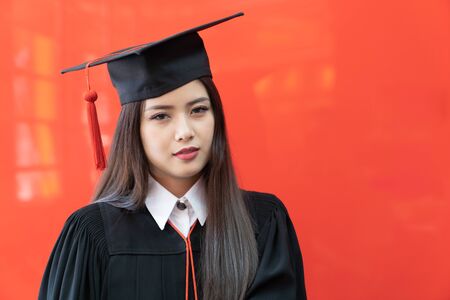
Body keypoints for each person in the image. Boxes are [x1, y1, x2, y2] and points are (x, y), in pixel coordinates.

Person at [38, 11, 307, 300]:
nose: (185, 131)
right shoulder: (92, 233)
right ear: (134, 131)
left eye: (199, 110)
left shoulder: (263, 221)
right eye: (161, 116)